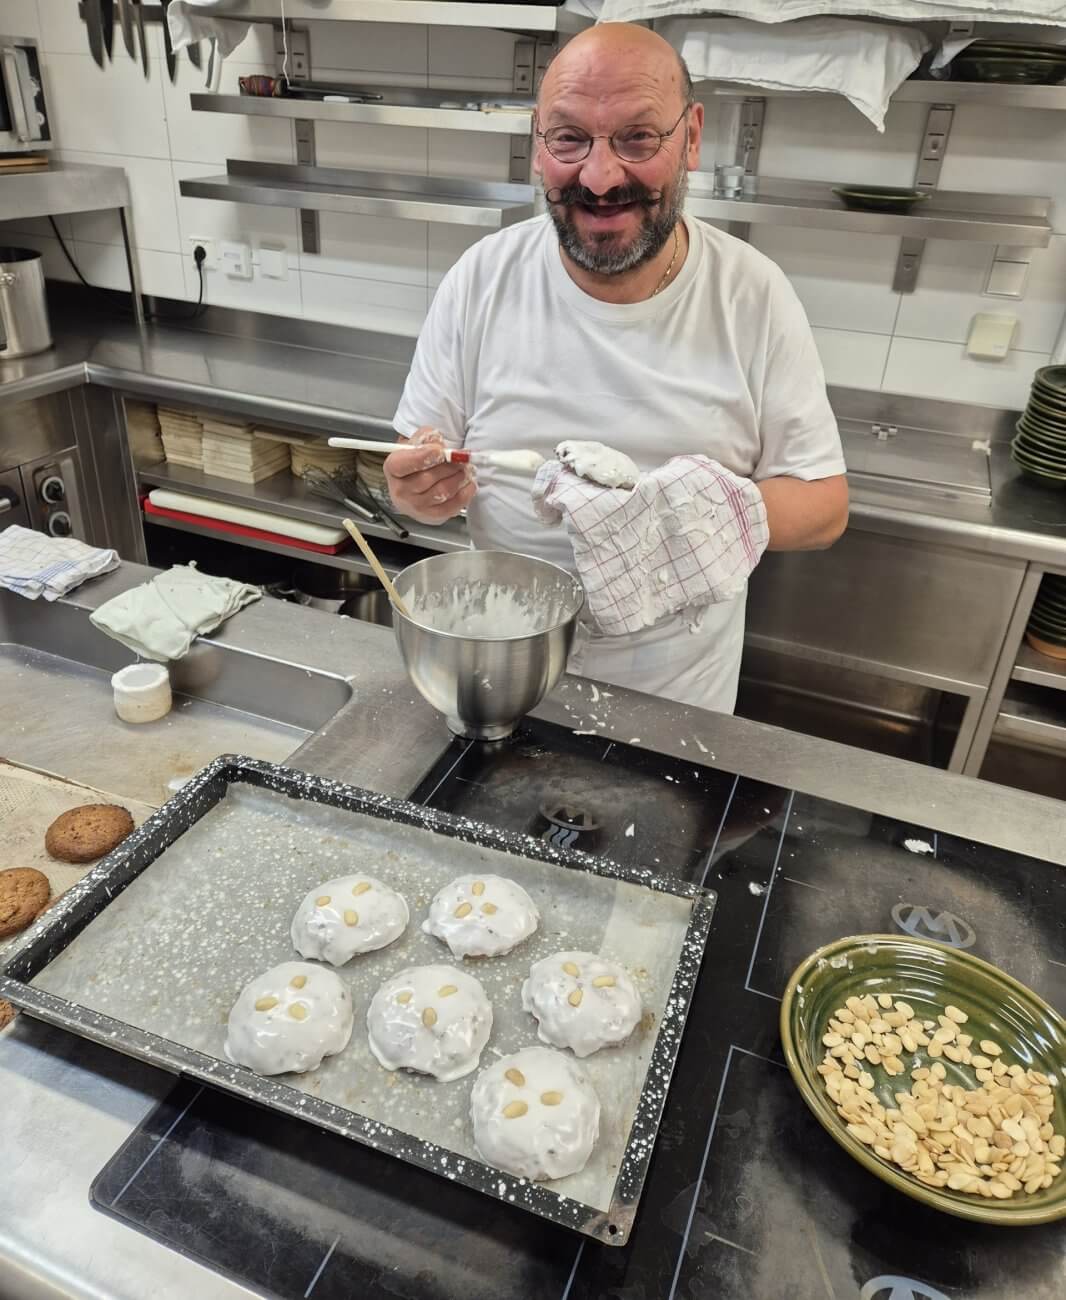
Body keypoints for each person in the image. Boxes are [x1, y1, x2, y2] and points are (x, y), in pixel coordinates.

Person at [387, 21, 848, 714]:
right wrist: (417, 488)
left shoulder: (751, 295)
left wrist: (690, 515)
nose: (600, 178)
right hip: (503, 678)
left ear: (691, 138)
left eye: (637, 138)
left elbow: (824, 506)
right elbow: (417, 459)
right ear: (538, 144)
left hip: (675, 702)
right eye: (569, 138)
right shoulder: (482, 279)